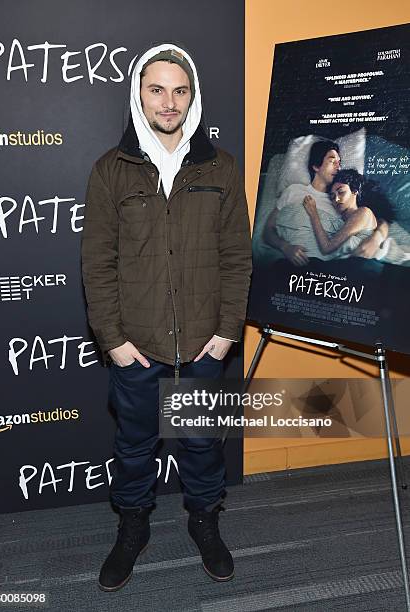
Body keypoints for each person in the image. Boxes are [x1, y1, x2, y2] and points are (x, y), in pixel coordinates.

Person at [81, 43, 252, 592]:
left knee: (203, 444)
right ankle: (132, 528)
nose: (169, 101)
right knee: (134, 448)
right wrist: (112, 339)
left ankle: (205, 522)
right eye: (157, 89)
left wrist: (228, 332)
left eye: (180, 90)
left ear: (192, 95)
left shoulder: (220, 168)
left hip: (206, 343)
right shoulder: (111, 171)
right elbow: (97, 263)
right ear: (139, 93)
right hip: (138, 344)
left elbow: (237, 258)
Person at [264, 140, 388, 264]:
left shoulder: (344, 200)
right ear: (316, 166)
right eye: (332, 161)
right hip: (292, 262)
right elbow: (268, 230)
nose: (338, 167)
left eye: (339, 163)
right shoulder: (294, 191)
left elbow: (377, 219)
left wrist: (377, 238)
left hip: (327, 265)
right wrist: (285, 247)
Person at [303, 169, 410, 265]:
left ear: (355, 191)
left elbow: (326, 247)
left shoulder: (362, 212)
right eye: (332, 196)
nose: (336, 199)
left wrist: (313, 214)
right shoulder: (344, 220)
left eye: (341, 192)